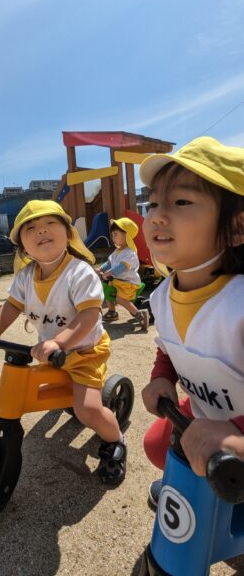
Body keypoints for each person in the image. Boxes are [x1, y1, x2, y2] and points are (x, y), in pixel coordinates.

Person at [0, 199, 127, 485]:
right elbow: (11, 305)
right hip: (53, 350)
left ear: (68, 233)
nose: (41, 231)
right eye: (30, 228)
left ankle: (115, 441)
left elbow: (88, 315)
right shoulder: (24, 277)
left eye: (49, 224)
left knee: (87, 410)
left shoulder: (79, 273)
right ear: (22, 245)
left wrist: (61, 341)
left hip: (85, 351)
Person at [139, 136, 244, 508]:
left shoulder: (239, 306)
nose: (156, 215)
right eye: (151, 203)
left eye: (181, 201)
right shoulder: (160, 297)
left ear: (236, 227)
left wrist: (238, 439)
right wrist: (162, 377)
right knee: (156, 445)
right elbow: (169, 348)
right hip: (203, 414)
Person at [97, 217, 149, 330]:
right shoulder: (117, 251)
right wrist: (101, 269)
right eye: (112, 235)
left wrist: (108, 273)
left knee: (120, 299)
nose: (113, 237)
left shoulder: (130, 253)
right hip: (118, 281)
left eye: (116, 234)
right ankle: (112, 312)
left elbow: (121, 267)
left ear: (126, 236)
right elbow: (110, 263)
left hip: (128, 283)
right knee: (107, 290)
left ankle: (140, 315)